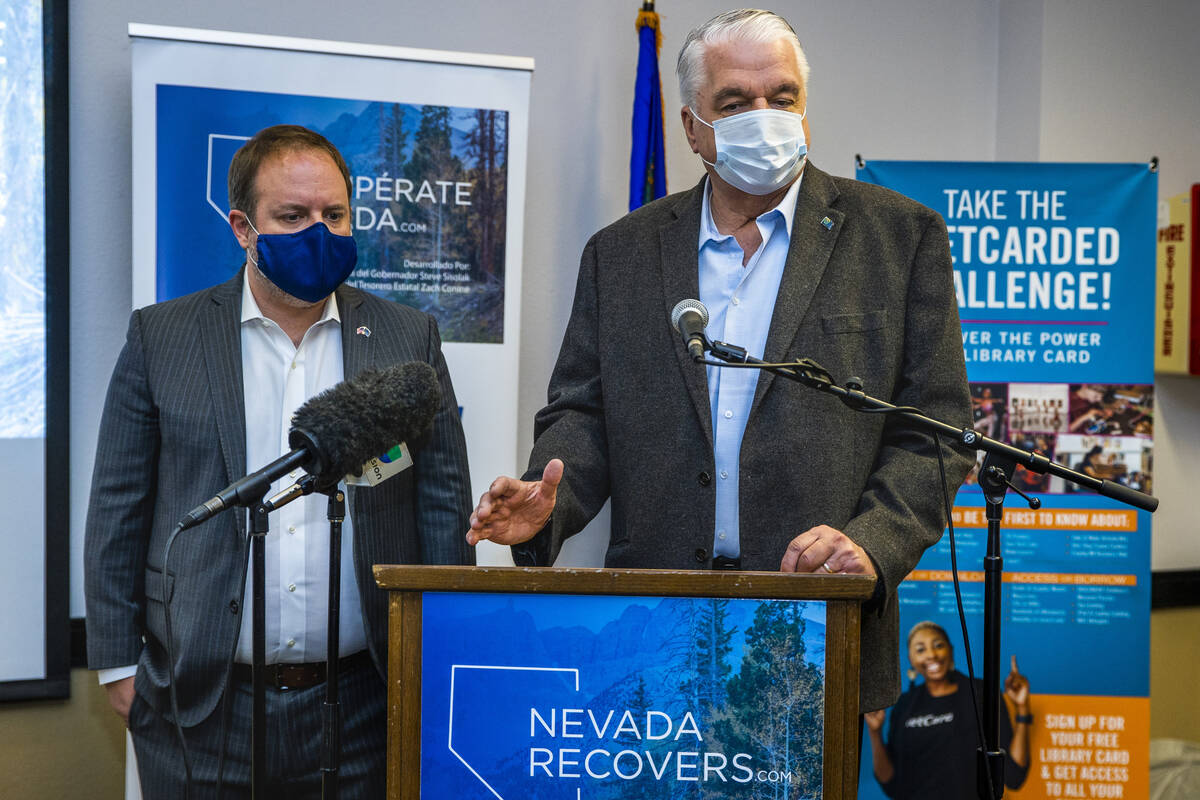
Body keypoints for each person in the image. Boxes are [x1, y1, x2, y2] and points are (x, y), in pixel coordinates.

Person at [466, 8, 973, 714]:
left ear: (806, 107)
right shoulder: (622, 253)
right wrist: (550, 503)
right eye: (735, 103)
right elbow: (582, 412)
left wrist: (871, 543)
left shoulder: (898, 238)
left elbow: (938, 431)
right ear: (691, 127)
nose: (763, 116)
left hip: (816, 620)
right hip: (654, 629)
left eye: (783, 97)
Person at [84, 124, 473, 798]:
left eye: (335, 215)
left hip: (365, 701)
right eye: (292, 217)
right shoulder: (162, 337)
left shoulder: (408, 336)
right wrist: (119, 666)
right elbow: (119, 504)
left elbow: (439, 502)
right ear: (243, 227)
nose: (318, 233)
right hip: (203, 703)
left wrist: (441, 651)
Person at [865, 621, 1031, 798]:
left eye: (938, 645)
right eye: (921, 650)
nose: (931, 655)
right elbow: (891, 783)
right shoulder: (904, 705)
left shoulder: (982, 693)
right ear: (911, 660)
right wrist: (874, 732)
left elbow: (1014, 775)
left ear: (950, 650)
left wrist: (1022, 708)